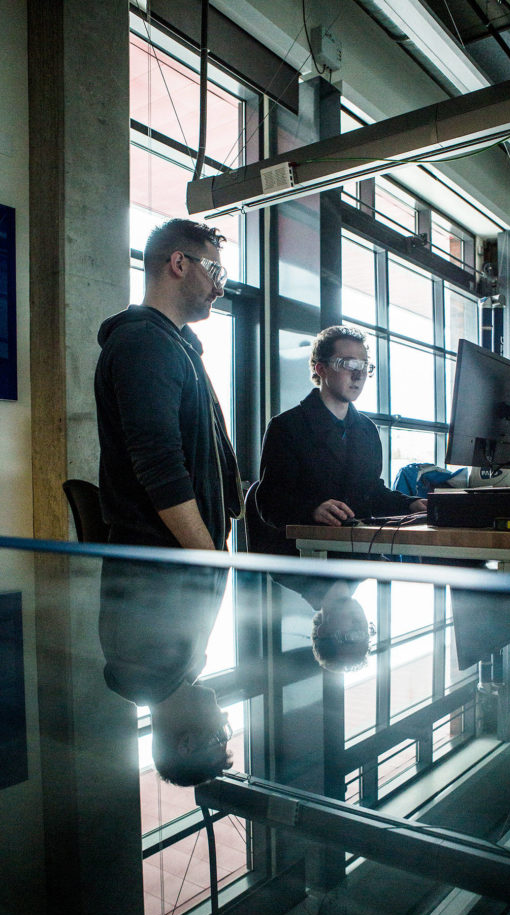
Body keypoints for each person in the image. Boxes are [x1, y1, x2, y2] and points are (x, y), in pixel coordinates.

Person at [94, 218, 243, 549]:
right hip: (156, 572)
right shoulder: (145, 343)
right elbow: (161, 467)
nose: (219, 289)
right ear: (179, 263)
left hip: (171, 565)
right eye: (215, 273)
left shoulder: (175, 345)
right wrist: (209, 557)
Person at [255, 325, 426, 552]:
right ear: (321, 369)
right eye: (348, 364)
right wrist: (312, 510)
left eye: (364, 366)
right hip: (305, 558)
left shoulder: (367, 430)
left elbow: (371, 492)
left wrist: (410, 503)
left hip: (359, 553)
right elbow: (269, 501)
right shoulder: (287, 427)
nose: (359, 374)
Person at [99, 559, 233, 786]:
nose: (224, 718)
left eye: (218, 736)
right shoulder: (172, 674)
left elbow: (166, 559)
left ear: (187, 744)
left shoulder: (141, 660)